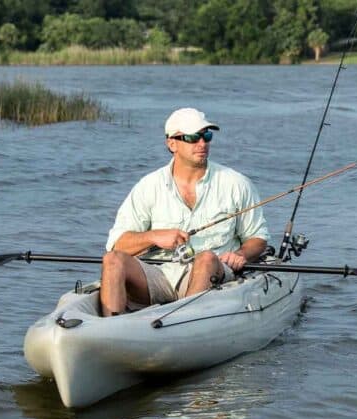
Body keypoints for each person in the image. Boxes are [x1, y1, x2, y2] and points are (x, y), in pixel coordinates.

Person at [99, 107, 269, 316]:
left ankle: (182, 324)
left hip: (213, 275)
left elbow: (258, 238)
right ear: (172, 143)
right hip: (159, 276)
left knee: (205, 259)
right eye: (193, 137)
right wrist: (154, 237)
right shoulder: (148, 186)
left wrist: (240, 254)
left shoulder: (236, 183)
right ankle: (109, 328)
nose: (202, 143)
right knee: (113, 260)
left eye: (207, 136)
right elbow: (117, 245)